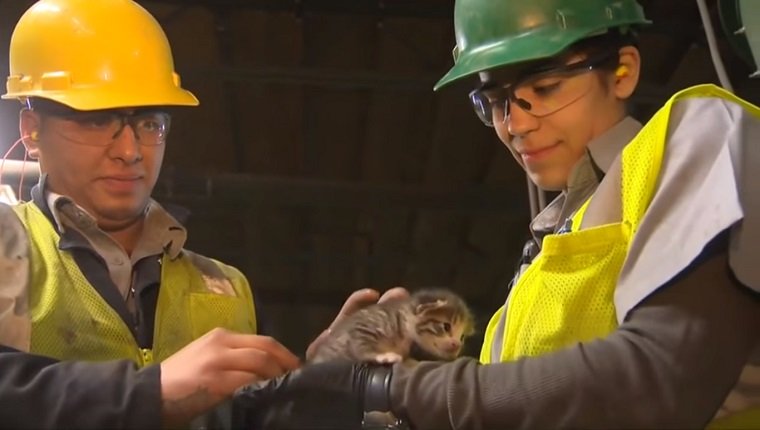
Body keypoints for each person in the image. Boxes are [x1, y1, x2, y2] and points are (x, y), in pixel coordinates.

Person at [234, 0, 760, 428]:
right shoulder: (542, 263)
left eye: (544, 89)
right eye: (496, 101)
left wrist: (389, 387)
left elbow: (657, 381)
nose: (515, 125)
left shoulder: (700, 133)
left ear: (622, 71)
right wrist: (351, 398)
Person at [0, 1, 307, 428]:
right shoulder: (6, 247)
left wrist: (319, 381)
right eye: (95, 120)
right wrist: (149, 391)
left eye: (149, 124)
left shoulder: (229, 291)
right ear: (32, 130)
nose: (129, 151)